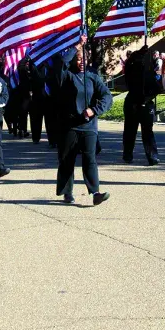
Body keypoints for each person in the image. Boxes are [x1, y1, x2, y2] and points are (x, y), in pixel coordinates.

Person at [53, 38, 113, 206]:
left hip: (89, 125)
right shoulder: (66, 75)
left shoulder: (92, 77)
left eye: (84, 59)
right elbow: (60, 65)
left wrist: (94, 110)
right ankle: (67, 192)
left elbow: (107, 97)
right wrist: (77, 46)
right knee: (67, 159)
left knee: (89, 158)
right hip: (69, 125)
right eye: (78, 59)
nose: (81, 62)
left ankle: (95, 193)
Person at [122, 45, 160, 165]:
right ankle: (128, 155)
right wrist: (138, 53)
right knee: (130, 131)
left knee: (147, 132)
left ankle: (151, 156)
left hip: (145, 104)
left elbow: (156, 89)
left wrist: (147, 98)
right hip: (132, 103)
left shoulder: (148, 73)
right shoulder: (131, 72)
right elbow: (128, 64)